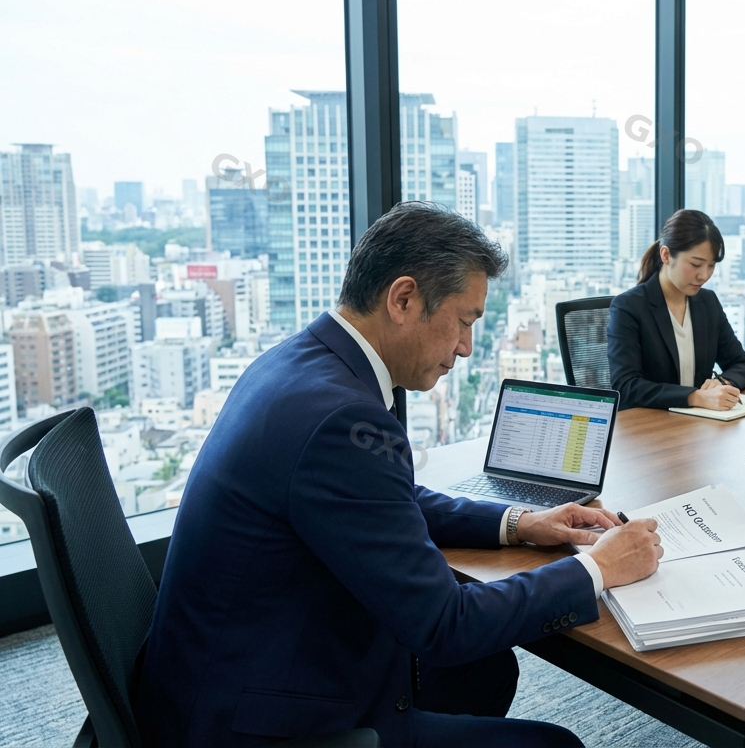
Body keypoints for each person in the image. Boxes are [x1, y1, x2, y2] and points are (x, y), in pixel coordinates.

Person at [136, 202, 663, 747]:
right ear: (404, 298)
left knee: (488, 669)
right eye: (464, 321)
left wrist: (521, 523)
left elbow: (387, 496)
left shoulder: (299, 363)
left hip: (222, 666)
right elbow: (445, 624)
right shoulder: (344, 417)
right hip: (252, 722)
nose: (465, 347)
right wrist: (597, 568)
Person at [607, 209, 745, 410]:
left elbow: (743, 365)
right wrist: (695, 397)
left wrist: (722, 382)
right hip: (650, 426)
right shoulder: (629, 307)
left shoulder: (708, 302)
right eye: (696, 264)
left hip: (699, 423)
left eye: (711, 266)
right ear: (666, 255)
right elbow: (626, 386)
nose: (704, 275)